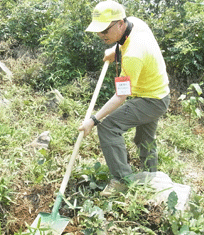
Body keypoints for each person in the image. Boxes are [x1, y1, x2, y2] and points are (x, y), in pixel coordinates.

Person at [79, 0, 170, 197]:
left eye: (105, 30)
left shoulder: (134, 54)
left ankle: (121, 180)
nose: (101, 35)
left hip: (151, 100)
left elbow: (121, 96)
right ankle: (150, 176)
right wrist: (115, 50)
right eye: (98, 30)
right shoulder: (134, 23)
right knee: (144, 139)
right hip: (158, 93)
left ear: (120, 23)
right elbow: (127, 41)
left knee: (108, 127)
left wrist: (93, 120)